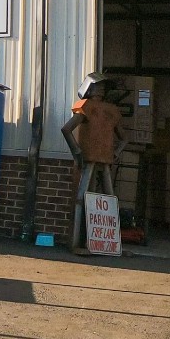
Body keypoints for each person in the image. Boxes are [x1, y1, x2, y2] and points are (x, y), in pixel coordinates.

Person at [62, 73, 126, 253]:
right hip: (90, 157)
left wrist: (116, 152)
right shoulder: (86, 106)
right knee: (84, 199)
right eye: (98, 87)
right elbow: (67, 129)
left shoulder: (111, 109)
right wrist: (77, 151)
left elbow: (124, 138)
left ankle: (110, 245)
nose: (101, 90)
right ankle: (77, 242)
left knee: (109, 201)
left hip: (104, 157)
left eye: (103, 87)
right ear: (88, 88)